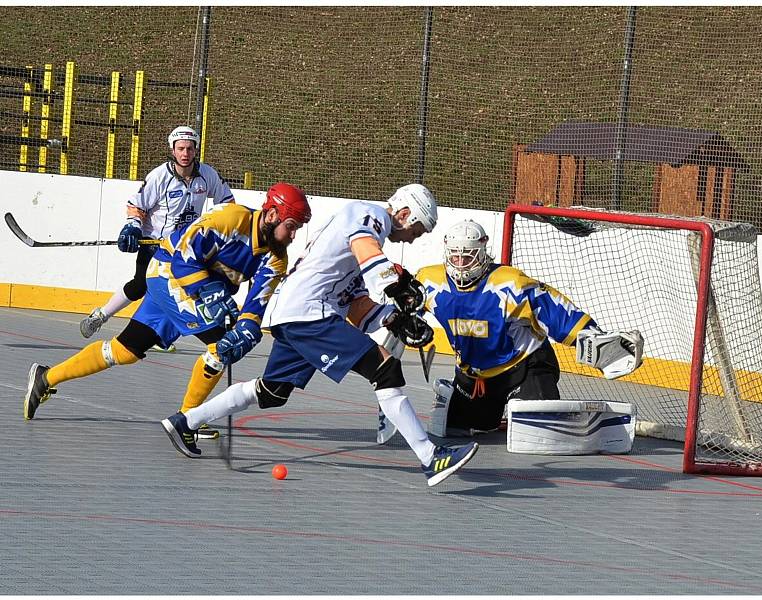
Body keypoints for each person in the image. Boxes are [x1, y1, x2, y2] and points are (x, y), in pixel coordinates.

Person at [161, 183, 479, 487]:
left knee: (271, 392)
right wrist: (394, 285)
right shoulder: (373, 217)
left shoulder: (361, 248)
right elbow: (366, 249)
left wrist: (395, 320)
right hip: (309, 313)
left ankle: (185, 422)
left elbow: (357, 308)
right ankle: (430, 457)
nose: (412, 238)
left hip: (296, 314)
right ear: (405, 213)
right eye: (417, 229)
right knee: (385, 368)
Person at [23, 183, 312, 442]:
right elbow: (184, 261)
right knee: (219, 346)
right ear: (272, 215)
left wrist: (248, 328)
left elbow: (255, 304)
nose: (293, 234)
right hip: (168, 275)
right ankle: (187, 419)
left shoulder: (276, 259)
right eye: (291, 226)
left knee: (124, 352)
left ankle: (46, 377)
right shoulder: (230, 219)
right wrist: (210, 293)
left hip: (190, 289)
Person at [415, 219, 644, 437]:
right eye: (455, 257)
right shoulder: (429, 281)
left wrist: (591, 337)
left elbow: (554, 309)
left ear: (482, 252)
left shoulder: (509, 283)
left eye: (468, 257)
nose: (461, 265)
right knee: (456, 429)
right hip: (476, 376)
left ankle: (546, 408)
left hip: (525, 366)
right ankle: (473, 405)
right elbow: (402, 306)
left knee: (542, 431)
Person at [79, 125, 235, 349]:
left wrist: (216, 228)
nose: (185, 154)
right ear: (172, 150)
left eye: (189, 149)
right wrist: (132, 228)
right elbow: (136, 205)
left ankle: (160, 335)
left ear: (196, 149)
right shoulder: (160, 176)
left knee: (185, 289)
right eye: (180, 148)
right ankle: (100, 316)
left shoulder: (207, 175)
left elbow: (227, 204)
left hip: (185, 249)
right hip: (155, 246)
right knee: (140, 286)